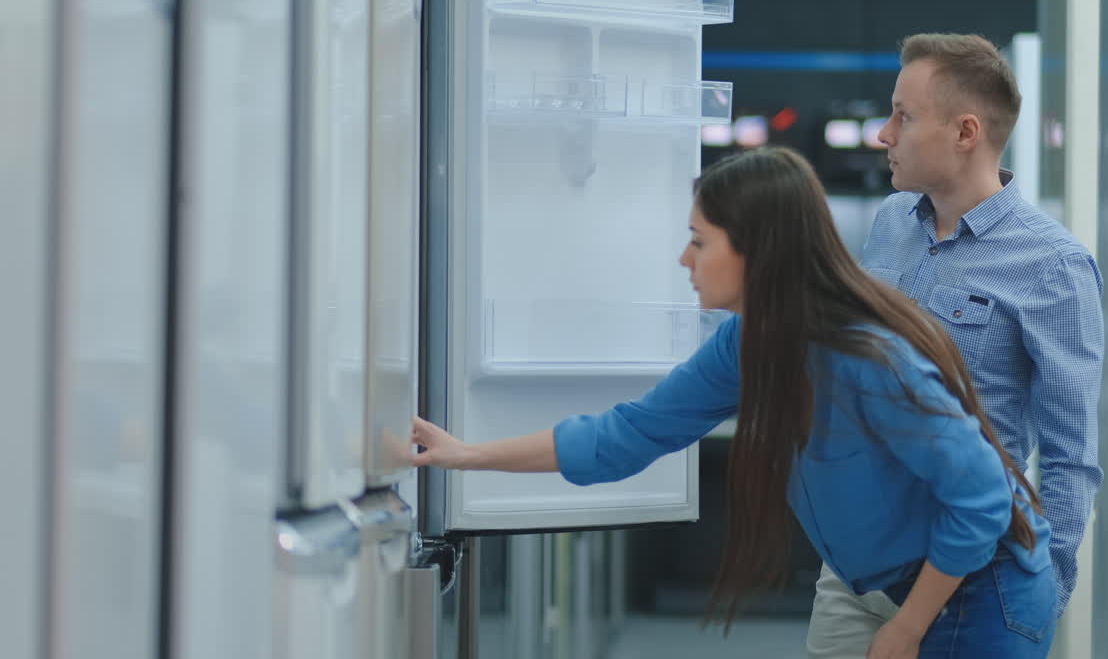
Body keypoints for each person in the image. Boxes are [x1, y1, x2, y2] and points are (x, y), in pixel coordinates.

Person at [412, 146, 1058, 658]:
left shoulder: (865, 359)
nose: (682, 258)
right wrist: (467, 455)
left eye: (699, 240)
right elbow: (627, 435)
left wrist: (908, 627)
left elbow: (982, 499)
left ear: (756, 252)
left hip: (982, 591)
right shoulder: (749, 342)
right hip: (904, 583)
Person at [806, 33, 1104, 657]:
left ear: (966, 132)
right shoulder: (890, 223)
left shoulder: (1053, 264)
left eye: (903, 117)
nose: (884, 134)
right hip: (856, 568)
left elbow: (1069, 452)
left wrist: (1044, 586)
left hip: (971, 574)